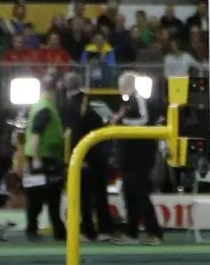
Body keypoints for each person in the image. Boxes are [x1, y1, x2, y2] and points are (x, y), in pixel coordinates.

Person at [112, 70, 164, 245]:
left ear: (128, 85)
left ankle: (155, 233)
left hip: (140, 157)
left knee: (140, 195)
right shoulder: (127, 103)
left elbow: (145, 121)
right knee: (130, 195)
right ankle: (132, 232)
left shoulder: (138, 99)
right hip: (130, 157)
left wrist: (122, 122)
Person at [61, 75, 113, 242]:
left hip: (85, 158)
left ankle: (88, 230)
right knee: (100, 195)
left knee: (85, 196)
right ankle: (105, 229)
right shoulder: (92, 101)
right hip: (99, 156)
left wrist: (78, 158)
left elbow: (74, 134)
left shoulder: (73, 107)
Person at [21, 86, 66, 242]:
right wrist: (36, 158)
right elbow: (36, 134)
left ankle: (42, 229)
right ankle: (40, 230)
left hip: (43, 158)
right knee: (43, 197)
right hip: (44, 159)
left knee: (41, 196)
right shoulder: (45, 109)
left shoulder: (40, 106)